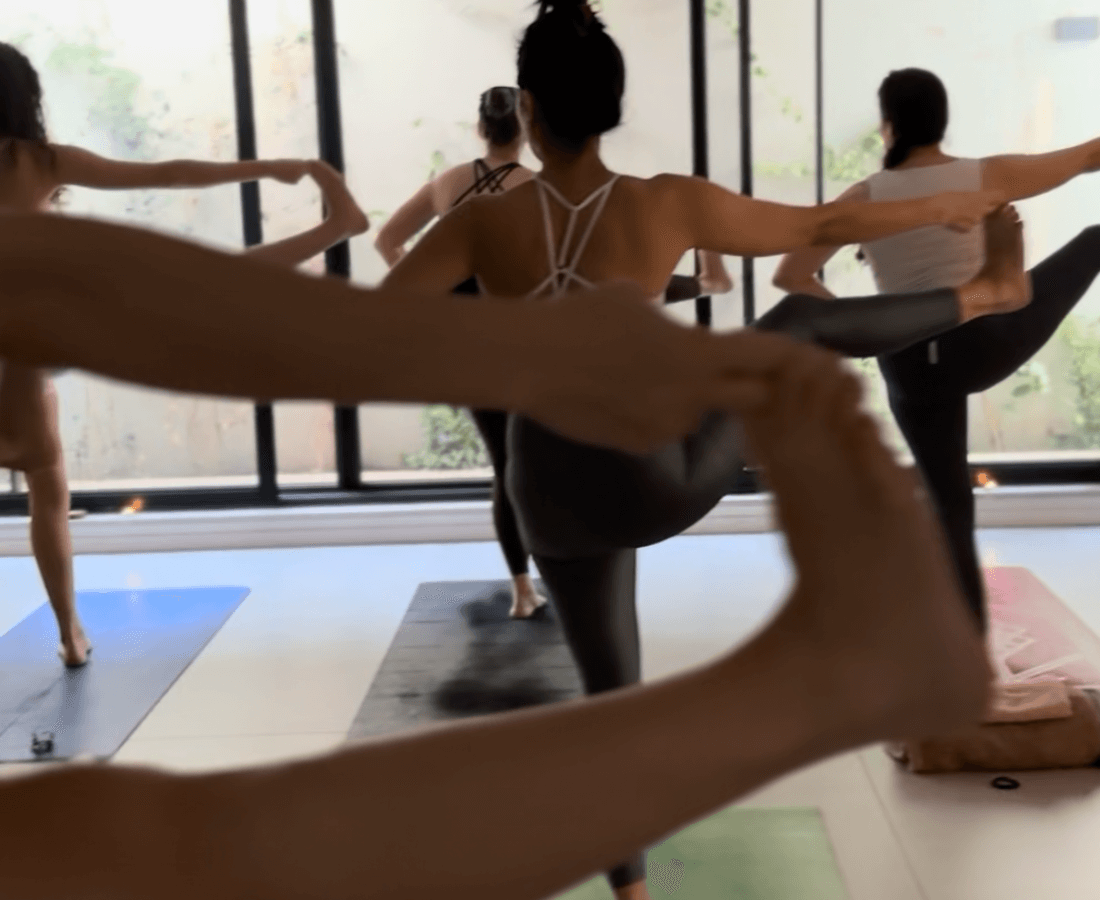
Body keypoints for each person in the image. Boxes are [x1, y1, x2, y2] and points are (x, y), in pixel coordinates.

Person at [382, 4, 1029, 896]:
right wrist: (945, 204)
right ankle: (987, 294)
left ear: (526, 110)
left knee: (610, 702)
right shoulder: (664, 203)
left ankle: (632, 891)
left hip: (549, 492)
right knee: (797, 322)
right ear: (611, 105)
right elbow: (818, 230)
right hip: (653, 475)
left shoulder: (479, 222)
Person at [1, 342, 995, 900]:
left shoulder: (476, 211)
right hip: (563, 439)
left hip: (542, 446)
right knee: (144, 837)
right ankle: (795, 689)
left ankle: (766, 694)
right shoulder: (538, 208)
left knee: (134, 838)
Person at [773, 66, 1100, 628]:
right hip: (986, 342)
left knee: (949, 501)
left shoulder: (863, 198)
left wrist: (875, 327)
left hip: (909, 362)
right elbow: (1091, 155)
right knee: (1097, 243)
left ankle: (969, 643)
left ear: (888, 125)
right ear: (941, 121)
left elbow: (791, 276)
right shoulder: (984, 176)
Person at [0, 40, 366, 667]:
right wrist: (269, 166)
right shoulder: (41, 160)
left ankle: (71, 631)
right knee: (48, 480)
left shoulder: (43, 162)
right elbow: (170, 173)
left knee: (44, 472)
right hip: (45, 329)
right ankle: (69, 634)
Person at [376, 85, 733, 618]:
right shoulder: (540, 191)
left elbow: (387, 242)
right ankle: (580, 570)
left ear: (480, 129)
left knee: (507, 465)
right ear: (527, 132)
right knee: (559, 456)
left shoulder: (445, 184)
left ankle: (523, 590)